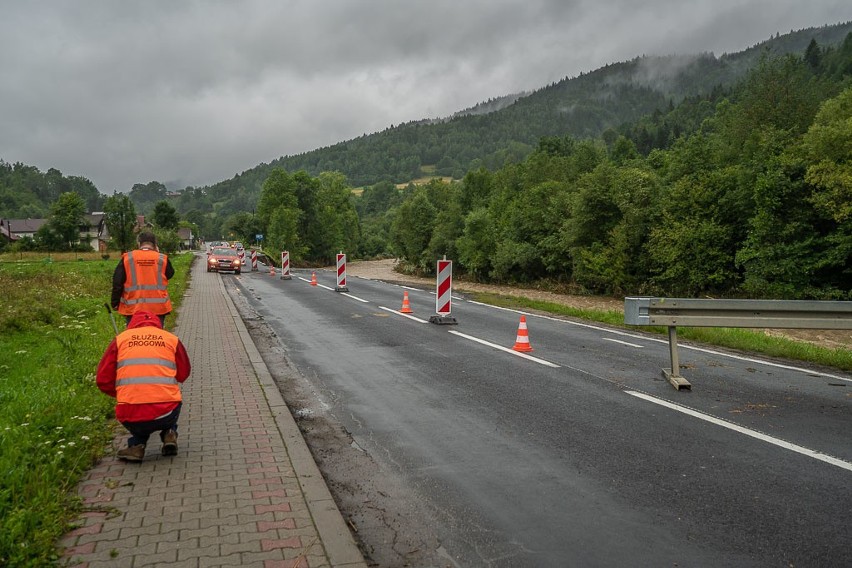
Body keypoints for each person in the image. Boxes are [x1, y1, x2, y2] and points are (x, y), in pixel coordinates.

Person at [96, 310, 191, 461]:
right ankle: (169, 432)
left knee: (140, 418)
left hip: (129, 413)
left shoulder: (120, 340)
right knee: (171, 401)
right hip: (167, 412)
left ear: (132, 323)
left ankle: (137, 446)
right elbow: (183, 373)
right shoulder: (171, 339)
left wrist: (122, 392)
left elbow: (103, 379)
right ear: (158, 323)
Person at [112, 231, 174, 327]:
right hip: (158, 308)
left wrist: (115, 303)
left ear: (139, 243)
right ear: (155, 244)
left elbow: (117, 282)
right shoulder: (162, 258)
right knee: (157, 337)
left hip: (133, 308)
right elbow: (170, 274)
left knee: (134, 337)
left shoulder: (128, 258)